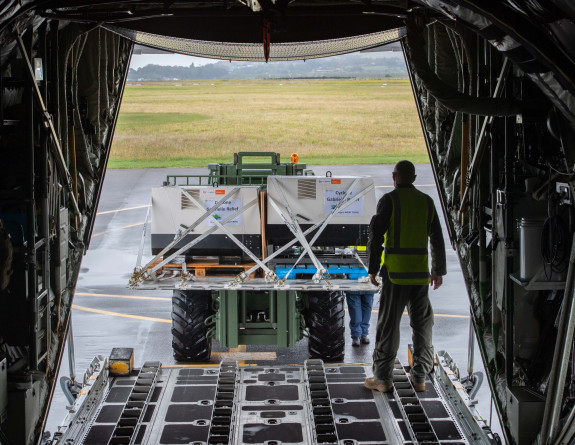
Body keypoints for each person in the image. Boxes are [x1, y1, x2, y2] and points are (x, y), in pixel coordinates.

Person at [364, 160, 446, 393]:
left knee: (389, 326)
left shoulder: (389, 201)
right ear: (414, 178)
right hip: (420, 277)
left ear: (394, 177)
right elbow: (437, 239)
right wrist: (437, 270)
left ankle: (382, 378)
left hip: (396, 275)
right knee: (422, 325)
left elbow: (376, 236)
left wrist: (372, 268)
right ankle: (420, 377)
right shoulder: (426, 202)